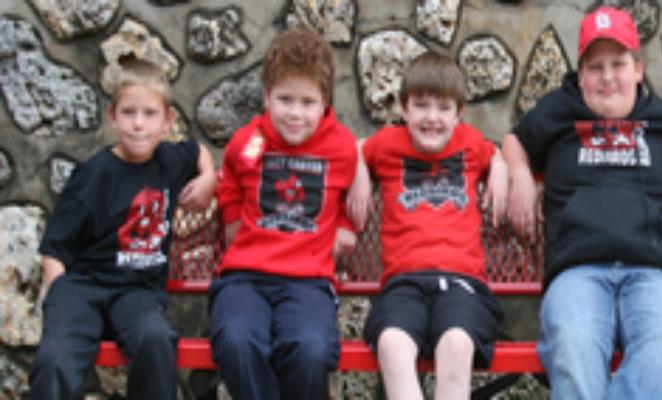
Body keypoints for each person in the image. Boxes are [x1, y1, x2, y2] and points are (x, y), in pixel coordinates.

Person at [500, 7, 662, 399]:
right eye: (595, 66)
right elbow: (515, 141)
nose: (607, 77)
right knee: (573, 345)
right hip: (577, 271)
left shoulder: (660, 117)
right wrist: (519, 173)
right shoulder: (560, 110)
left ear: (638, 69)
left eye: (618, 64)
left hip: (650, 273)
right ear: (581, 73)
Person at [30, 59, 216, 400]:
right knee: (56, 356)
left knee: (155, 338)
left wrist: (207, 179)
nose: (139, 125)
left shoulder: (169, 161)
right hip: (84, 288)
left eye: (149, 114)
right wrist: (60, 302)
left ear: (167, 120)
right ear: (112, 117)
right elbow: (54, 249)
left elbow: (199, 152)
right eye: (129, 113)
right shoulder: (93, 175)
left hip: (137, 292)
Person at [347, 52, 509, 400]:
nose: (432, 118)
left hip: (462, 282)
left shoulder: (469, 142)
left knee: (455, 342)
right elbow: (357, 148)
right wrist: (360, 173)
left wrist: (499, 168)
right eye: (421, 106)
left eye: (443, 108)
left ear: (458, 114)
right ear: (404, 110)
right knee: (391, 342)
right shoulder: (389, 144)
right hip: (403, 284)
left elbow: (495, 152)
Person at [209, 26, 358, 400]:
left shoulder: (339, 147)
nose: (295, 114)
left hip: (307, 280)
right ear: (266, 97)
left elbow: (352, 186)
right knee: (237, 340)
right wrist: (230, 220)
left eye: (307, 102)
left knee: (311, 348)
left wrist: (346, 224)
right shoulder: (249, 141)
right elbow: (229, 180)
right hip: (244, 277)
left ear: (325, 102)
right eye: (285, 100)